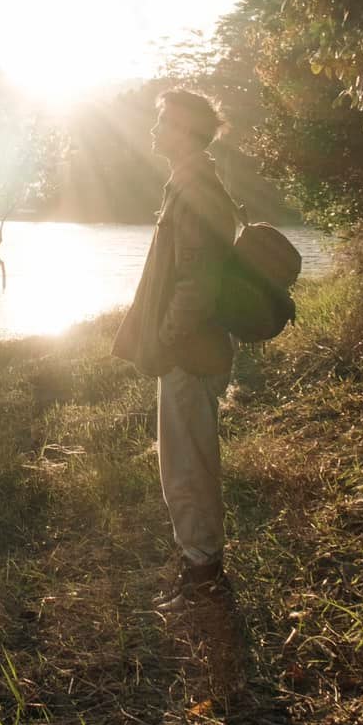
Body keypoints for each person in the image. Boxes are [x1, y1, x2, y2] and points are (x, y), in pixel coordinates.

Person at [112, 89, 241, 613]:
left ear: (185, 131)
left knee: (187, 467)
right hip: (193, 349)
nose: (153, 129)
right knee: (186, 463)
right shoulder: (187, 184)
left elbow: (196, 283)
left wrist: (165, 338)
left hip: (192, 352)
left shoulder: (195, 189)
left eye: (162, 120)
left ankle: (203, 578)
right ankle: (200, 568)